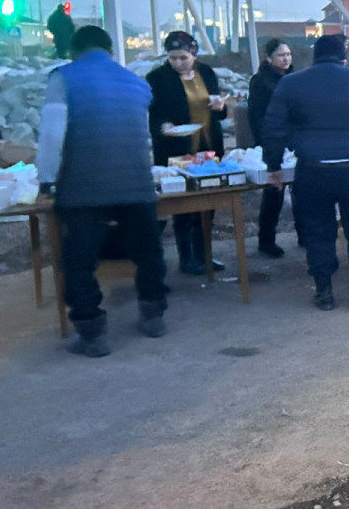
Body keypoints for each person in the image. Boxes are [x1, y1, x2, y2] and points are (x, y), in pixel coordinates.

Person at [36, 26, 168, 357]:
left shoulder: (64, 78)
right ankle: (153, 316)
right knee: (148, 252)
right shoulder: (137, 84)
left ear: (73, 51)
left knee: (79, 260)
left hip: (84, 186)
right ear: (110, 50)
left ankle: (92, 333)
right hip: (136, 183)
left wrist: (47, 182)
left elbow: (52, 135)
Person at [264, 34, 349, 311]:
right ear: (345, 58)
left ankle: (325, 292)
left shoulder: (291, 82)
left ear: (314, 56)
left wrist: (274, 167)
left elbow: (273, 128)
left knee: (318, 230)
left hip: (312, 169)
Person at [147, 31, 232, 276]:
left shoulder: (206, 73)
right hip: (176, 149)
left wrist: (220, 107)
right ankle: (187, 257)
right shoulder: (158, 78)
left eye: (183, 57)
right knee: (183, 204)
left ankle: (204, 253)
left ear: (193, 54)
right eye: (172, 58)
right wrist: (164, 126)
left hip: (207, 145)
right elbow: (155, 112)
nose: (177, 63)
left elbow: (219, 108)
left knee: (207, 202)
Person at [248, 38, 294, 258]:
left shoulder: (294, 77)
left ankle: (304, 234)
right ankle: (266, 239)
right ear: (269, 58)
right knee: (274, 191)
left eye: (288, 54)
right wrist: (265, 146)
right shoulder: (261, 81)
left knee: (300, 190)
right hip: (272, 141)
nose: (286, 59)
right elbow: (256, 117)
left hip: (294, 142)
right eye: (281, 55)